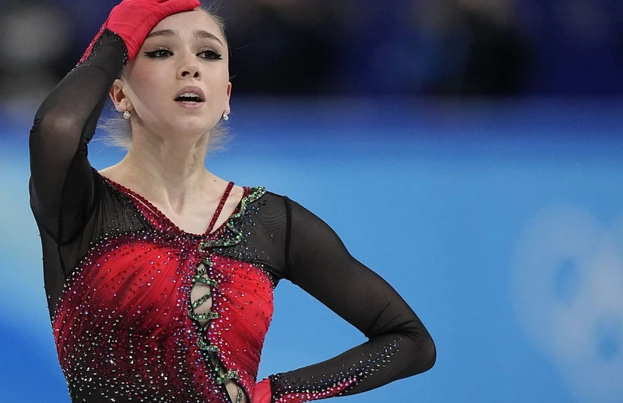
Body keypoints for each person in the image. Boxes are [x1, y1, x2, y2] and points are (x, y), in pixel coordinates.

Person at [28, 0, 436, 402]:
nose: (189, 67)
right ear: (119, 95)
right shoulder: (81, 204)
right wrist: (117, 36)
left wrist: (276, 394)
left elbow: (410, 340)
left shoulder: (271, 222)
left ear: (226, 95)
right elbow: (57, 127)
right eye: (161, 51)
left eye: (208, 53)